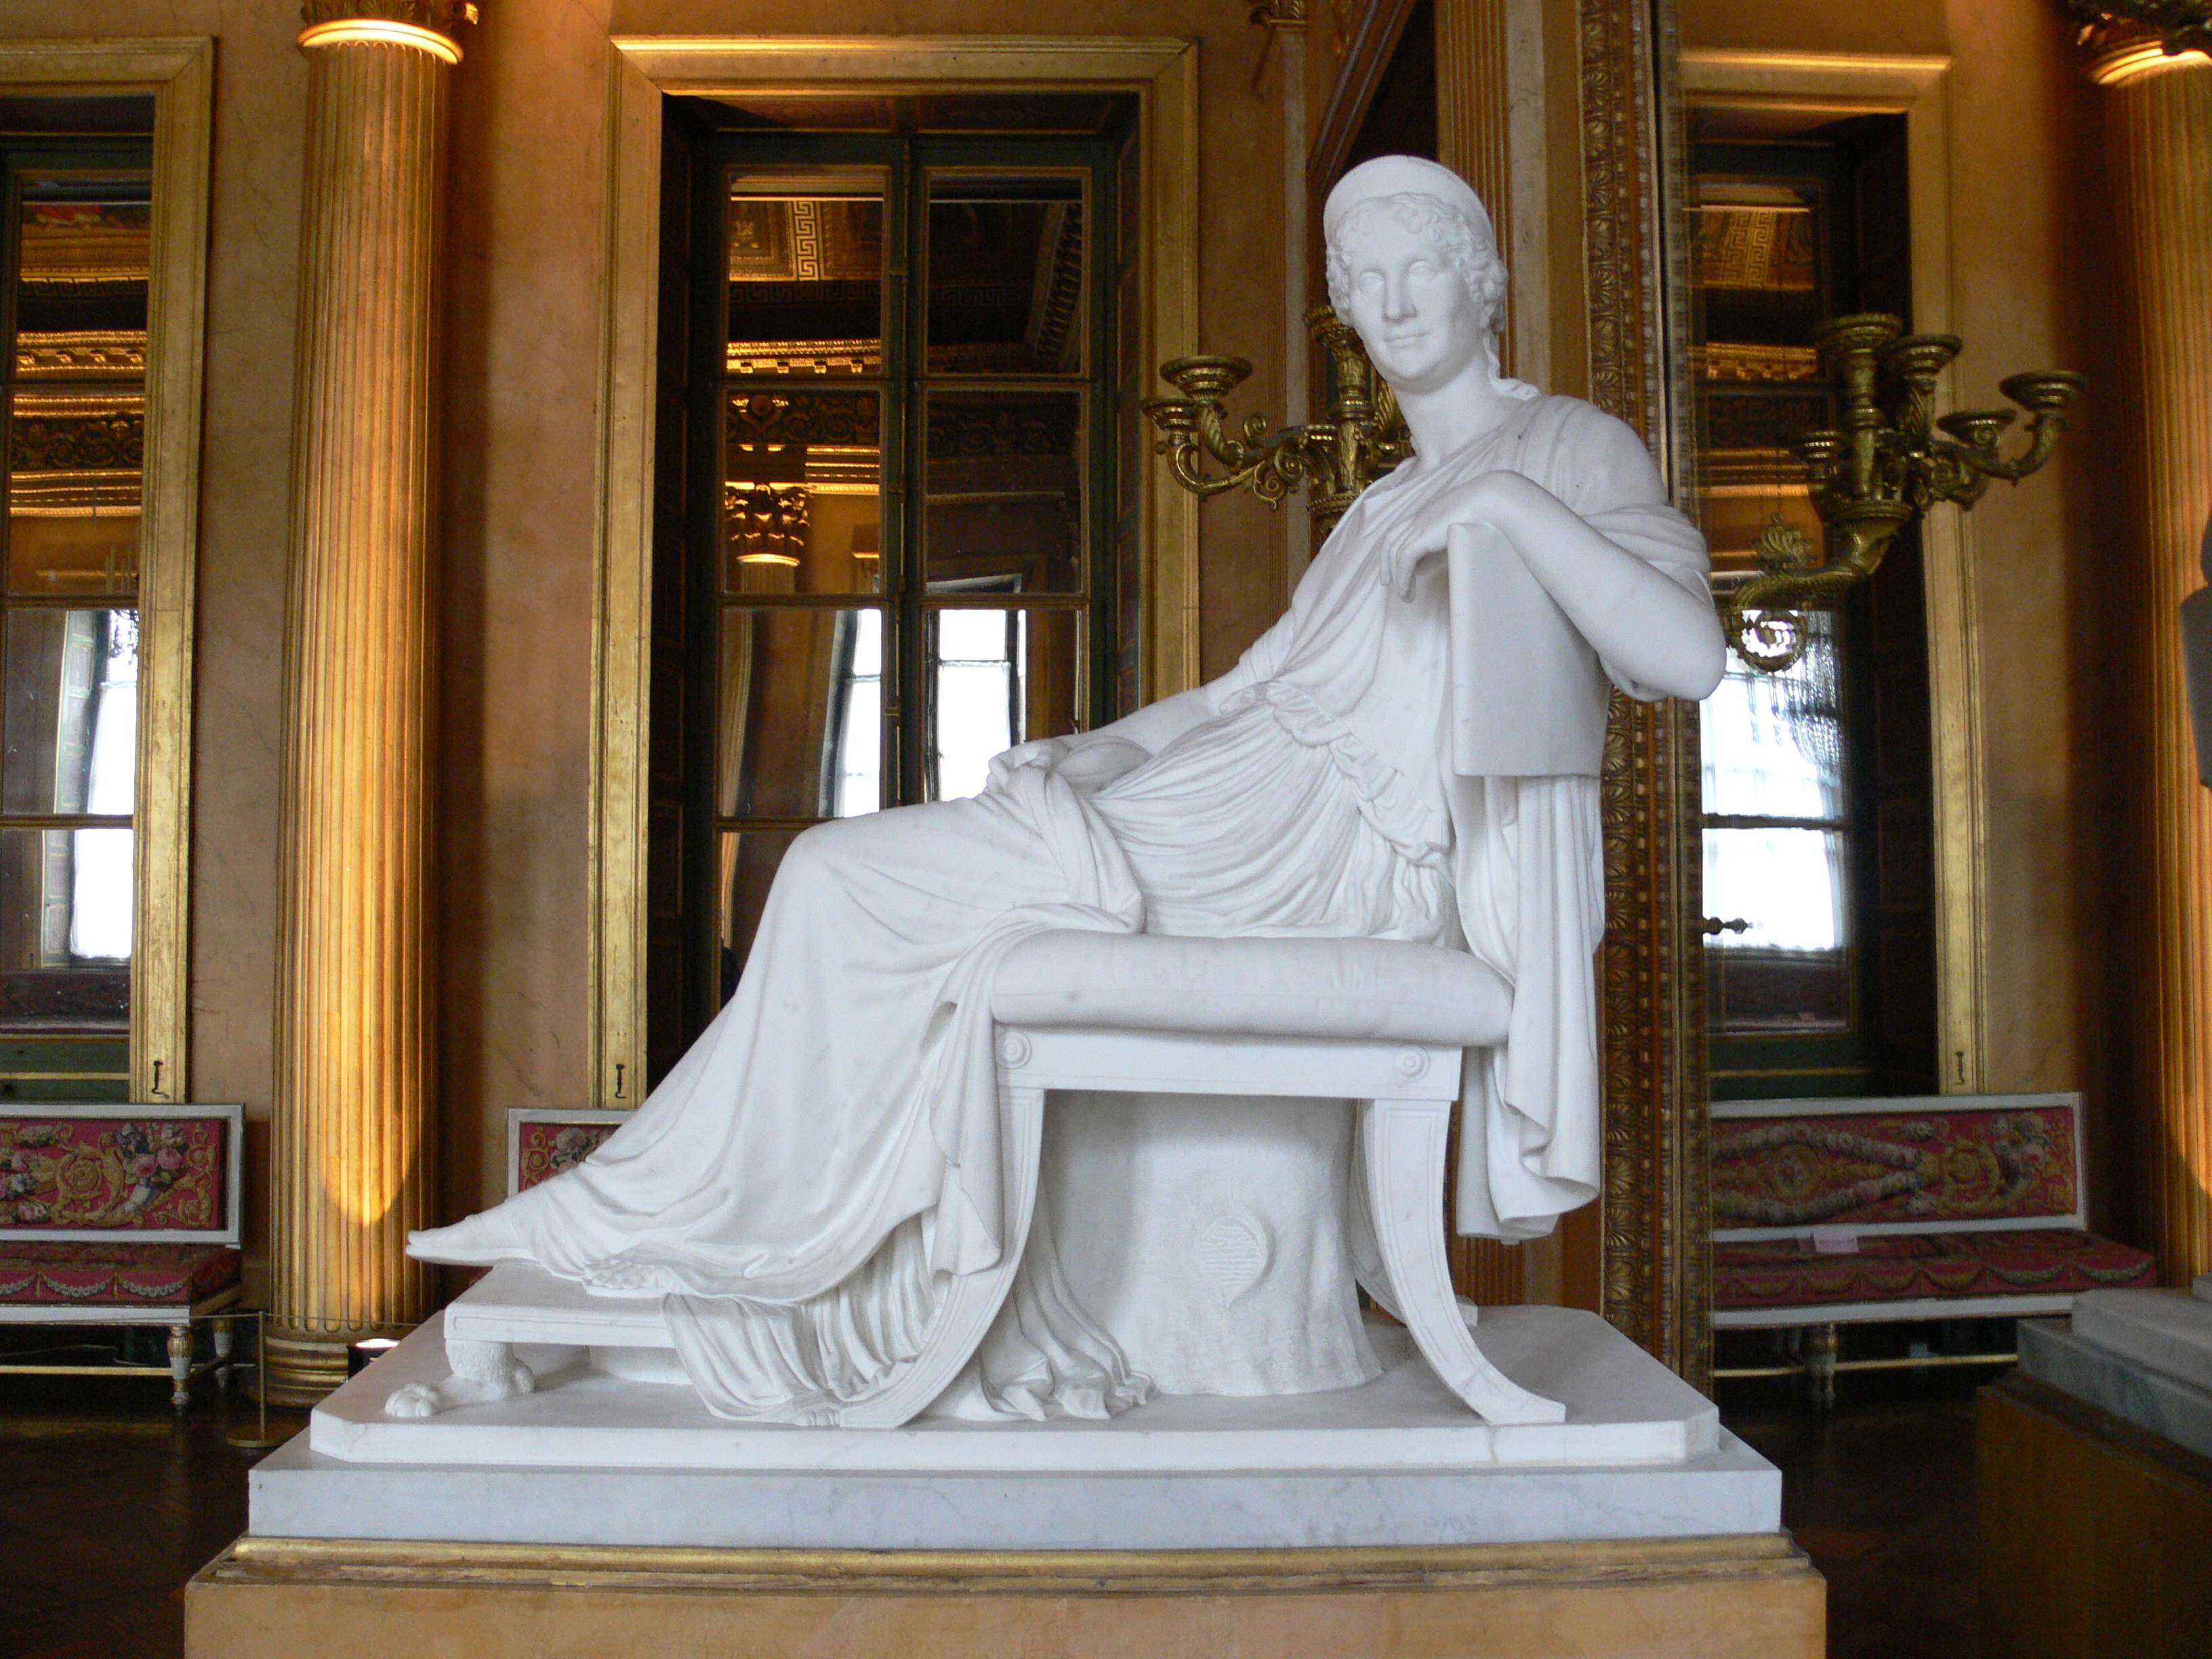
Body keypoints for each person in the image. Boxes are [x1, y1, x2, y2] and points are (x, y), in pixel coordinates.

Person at [409, 155, 1726, 1424]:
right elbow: (1246, 692)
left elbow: (1687, 654)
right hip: (1231, 802)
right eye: (1362, 280)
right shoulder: (1378, 507)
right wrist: (1107, 750)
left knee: (838, 877)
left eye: (1418, 270)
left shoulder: (1569, 446)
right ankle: (703, 1225)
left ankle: (680, 1226)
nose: (1390, 305)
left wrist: (1507, 506)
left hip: (1331, 854)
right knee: (843, 876)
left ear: (1484, 281)